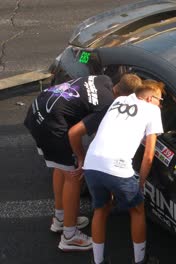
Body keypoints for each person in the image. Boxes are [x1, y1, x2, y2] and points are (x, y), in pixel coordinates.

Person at [23, 73, 141, 251]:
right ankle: (69, 236)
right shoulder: (108, 105)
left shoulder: (103, 79)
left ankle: (61, 219)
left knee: (60, 167)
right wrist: (81, 158)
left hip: (37, 111)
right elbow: (74, 133)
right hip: (51, 125)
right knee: (74, 174)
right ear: (128, 97)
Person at [82, 80, 165, 264]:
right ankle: (140, 259)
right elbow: (149, 155)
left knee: (100, 210)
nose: (161, 104)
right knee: (137, 210)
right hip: (118, 167)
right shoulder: (153, 110)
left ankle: (98, 261)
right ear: (151, 98)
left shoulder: (118, 101)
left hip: (92, 163)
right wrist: (141, 183)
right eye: (160, 100)